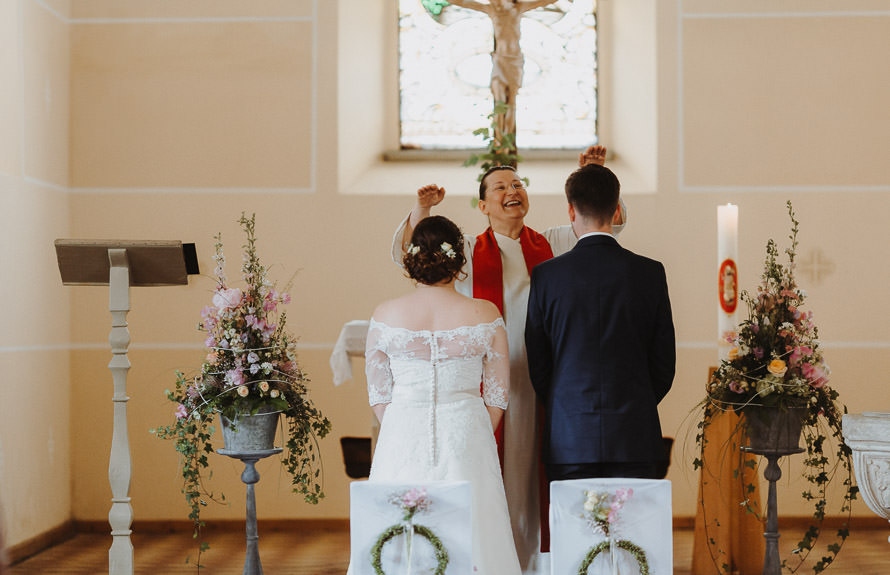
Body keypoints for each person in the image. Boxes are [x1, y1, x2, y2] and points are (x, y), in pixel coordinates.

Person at [391, 146, 624, 573]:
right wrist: (422, 208)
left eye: (517, 184)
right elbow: (414, 253)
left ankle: (538, 562)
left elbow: (607, 225)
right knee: (497, 470)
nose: (511, 190)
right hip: (487, 381)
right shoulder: (465, 248)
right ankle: (495, 561)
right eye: (499, 187)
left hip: (547, 379)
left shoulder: (553, 241)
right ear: (483, 206)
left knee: (534, 471)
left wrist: (593, 175)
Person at [360, 216, 521, 574]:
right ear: (459, 259)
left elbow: (378, 394)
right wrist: (471, 421)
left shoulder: (385, 314)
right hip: (467, 430)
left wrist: (404, 420)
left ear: (413, 258)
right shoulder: (485, 313)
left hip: (402, 430)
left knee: (399, 525)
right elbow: (497, 396)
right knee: (474, 527)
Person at [525, 163, 675, 482]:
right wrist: (636, 401)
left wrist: (565, 401)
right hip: (635, 437)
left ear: (570, 210)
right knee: (633, 531)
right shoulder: (649, 273)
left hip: (569, 437)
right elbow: (664, 363)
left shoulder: (547, 276)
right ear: (617, 208)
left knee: (573, 531)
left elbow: (538, 362)